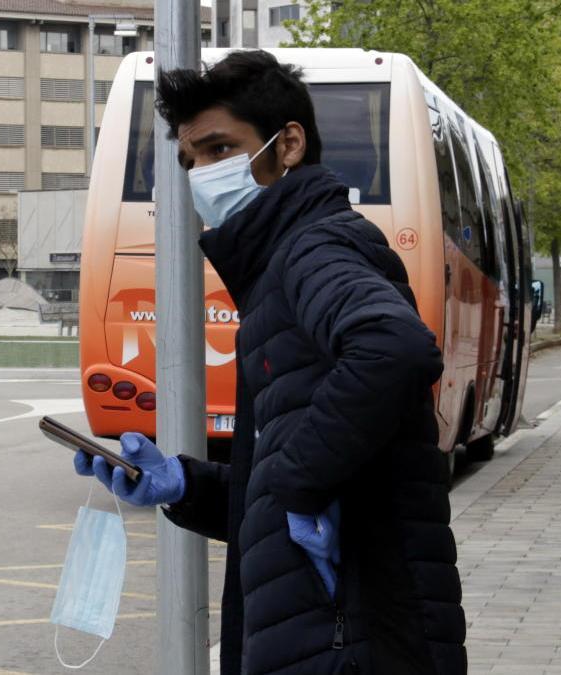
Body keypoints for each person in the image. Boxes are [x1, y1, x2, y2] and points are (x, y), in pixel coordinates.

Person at [74, 50, 466, 674]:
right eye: (189, 160)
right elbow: (286, 478)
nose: (201, 174)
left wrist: (299, 487)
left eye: (219, 150)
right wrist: (184, 484)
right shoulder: (282, 264)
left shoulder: (314, 247)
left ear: (287, 146)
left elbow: (395, 349)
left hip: (352, 634)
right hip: (330, 629)